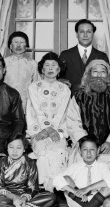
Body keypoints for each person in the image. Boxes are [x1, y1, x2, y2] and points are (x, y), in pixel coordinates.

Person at [26, 52, 88, 190]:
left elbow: (62, 112)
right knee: (43, 152)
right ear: (42, 69)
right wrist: (46, 129)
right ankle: (45, 188)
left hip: (58, 130)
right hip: (38, 130)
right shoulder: (33, 87)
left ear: (59, 69)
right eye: (47, 65)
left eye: (54, 65)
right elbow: (35, 110)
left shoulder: (64, 89)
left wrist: (54, 129)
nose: (50, 68)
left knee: (59, 151)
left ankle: (53, 187)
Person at [73, 60, 110, 165]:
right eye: (95, 71)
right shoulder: (79, 96)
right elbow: (73, 122)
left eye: (103, 71)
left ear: (108, 75)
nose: (99, 75)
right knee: (79, 160)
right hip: (85, 143)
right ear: (89, 74)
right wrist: (87, 143)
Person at [0, 133, 56, 207]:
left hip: (26, 196)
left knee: (51, 197)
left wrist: (23, 199)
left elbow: (32, 187)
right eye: (11, 147)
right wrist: (14, 198)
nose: (14, 151)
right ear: (7, 148)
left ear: (24, 149)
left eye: (19, 148)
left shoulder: (30, 163)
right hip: (7, 196)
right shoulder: (1, 162)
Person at [52, 135, 110, 207]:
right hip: (78, 200)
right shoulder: (75, 166)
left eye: (92, 149)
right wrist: (75, 191)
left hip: (97, 201)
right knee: (66, 178)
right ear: (80, 151)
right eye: (85, 149)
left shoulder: (102, 166)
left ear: (98, 151)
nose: (88, 153)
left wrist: (87, 188)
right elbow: (56, 180)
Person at [59, 19, 110, 95]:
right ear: (77, 34)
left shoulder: (102, 56)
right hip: (70, 100)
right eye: (82, 31)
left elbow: (108, 80)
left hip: (95, 101)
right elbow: (58, 79)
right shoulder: (65, 55)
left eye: (89, 32)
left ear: (93, 34)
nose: (85, 35)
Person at [4, 31, 40, 113]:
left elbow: (36, 85)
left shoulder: (32, 64)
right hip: (6, 103)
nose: (18, 45)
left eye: (22, 42)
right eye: (16, 42)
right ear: (10, 46)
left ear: (26, 46)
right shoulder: (3, 63)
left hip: (26, 104)